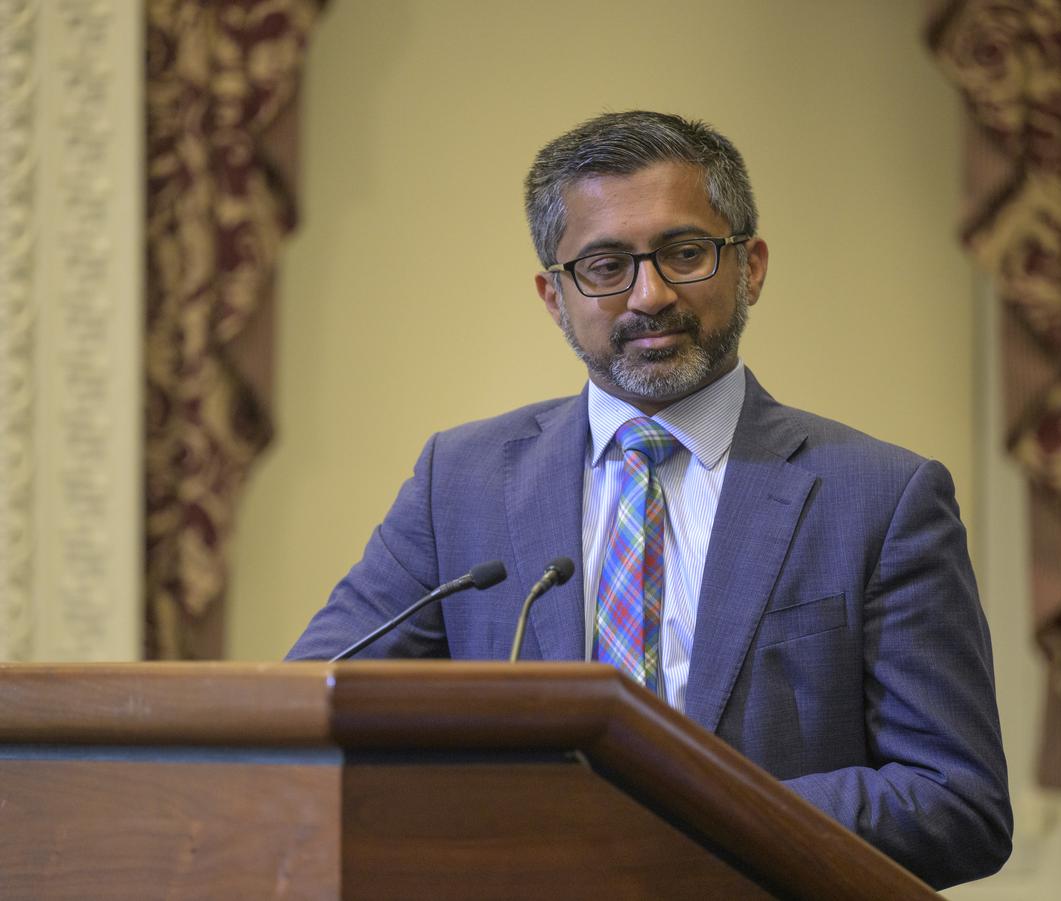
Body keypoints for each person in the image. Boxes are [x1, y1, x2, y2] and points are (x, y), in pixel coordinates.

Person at [287, 110, 1013, 888]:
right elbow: (306, 714)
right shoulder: (459, 483)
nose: (651, 294)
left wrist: (697, 814)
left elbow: (957, 801)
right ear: (554, 296)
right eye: (605, 265)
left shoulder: (882, 498)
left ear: (751, 266)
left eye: (685, 253)